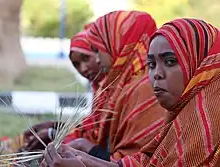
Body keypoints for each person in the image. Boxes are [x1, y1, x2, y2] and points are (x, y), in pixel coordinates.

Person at [42, 18, 220, 166]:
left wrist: (88, 156)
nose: (156, 74)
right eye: (151, 64)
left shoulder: (210, 119)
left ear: (200, 64)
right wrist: (85, 158)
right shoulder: (181, 116)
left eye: (171, 61)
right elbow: (145, 163)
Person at [42, 9, 166, 163]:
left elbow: (139, 161)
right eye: (76, 64)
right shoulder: (122, 86)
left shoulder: (144, 88)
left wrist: (87, 150)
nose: (98, 60)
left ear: (116, 43)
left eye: (97, 50)